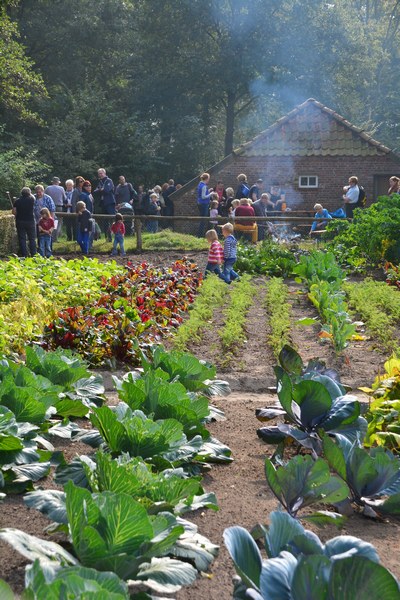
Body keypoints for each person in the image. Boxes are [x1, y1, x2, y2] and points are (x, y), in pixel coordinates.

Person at [12, 187, 37, 257]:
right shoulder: (32, 199)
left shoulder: (17, 201)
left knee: (22, 239)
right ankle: (34, 254)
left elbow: (13, 212)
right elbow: (33, 197)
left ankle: (24, 255)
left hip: (20, 221)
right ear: (29, 193)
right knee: (32, 238)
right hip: (30, 221)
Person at [94, 168, 116, 240]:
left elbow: (107, 190)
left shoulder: (109, 181)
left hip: (109, 203)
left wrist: (101, 189)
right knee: (105, 220)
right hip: (103, 203)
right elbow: (95, 191)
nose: (100, 175)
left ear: (104, 173)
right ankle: (107, 237)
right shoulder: (100, 182)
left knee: (112, 219)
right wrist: (101, 189)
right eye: (99, 173)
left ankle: (113, 235)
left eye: (101, 173)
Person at [45, 176, 66, 241]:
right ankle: (55, 237)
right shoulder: (61, 188)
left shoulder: (48, 188)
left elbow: (44, 197)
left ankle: (49, 236)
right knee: (58, 222)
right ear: (58, 182)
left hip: (49, 208)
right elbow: (64, 198)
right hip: (59, 207)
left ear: (52, 182)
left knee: (49, 221)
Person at [197, 172, 212, 237]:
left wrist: (208, 190)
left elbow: (202, 194)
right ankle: (200, 235)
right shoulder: (204, 186)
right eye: (208, 178)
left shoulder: (200, 184)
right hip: (204, 204)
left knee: (202, 219)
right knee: (203, 219)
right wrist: (211, 194)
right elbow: (203, 197)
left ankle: (200, 234)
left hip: (200, 203)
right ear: (206, 178)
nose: (209, 180)